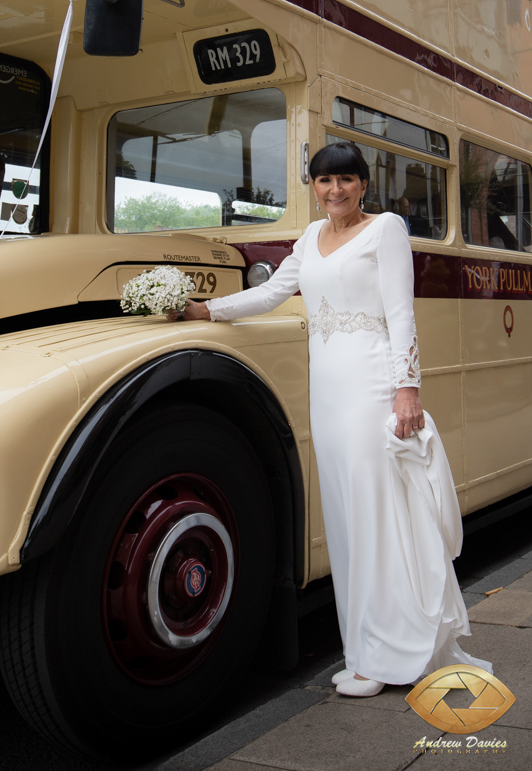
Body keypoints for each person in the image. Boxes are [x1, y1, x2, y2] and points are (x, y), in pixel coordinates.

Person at [171, 142, 490, 697]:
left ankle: (392, 654)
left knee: (375, 515)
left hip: (372, 386)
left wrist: (406, 390)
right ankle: (363, 650)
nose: (335, 190)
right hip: (329, 393)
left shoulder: (385, 229)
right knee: (344, 521)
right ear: (313, 188)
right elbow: (271, 292)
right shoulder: (308, 241)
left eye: (345, 179)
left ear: (363, 185)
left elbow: (400, 314)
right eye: (324, 181)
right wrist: (205, 310)